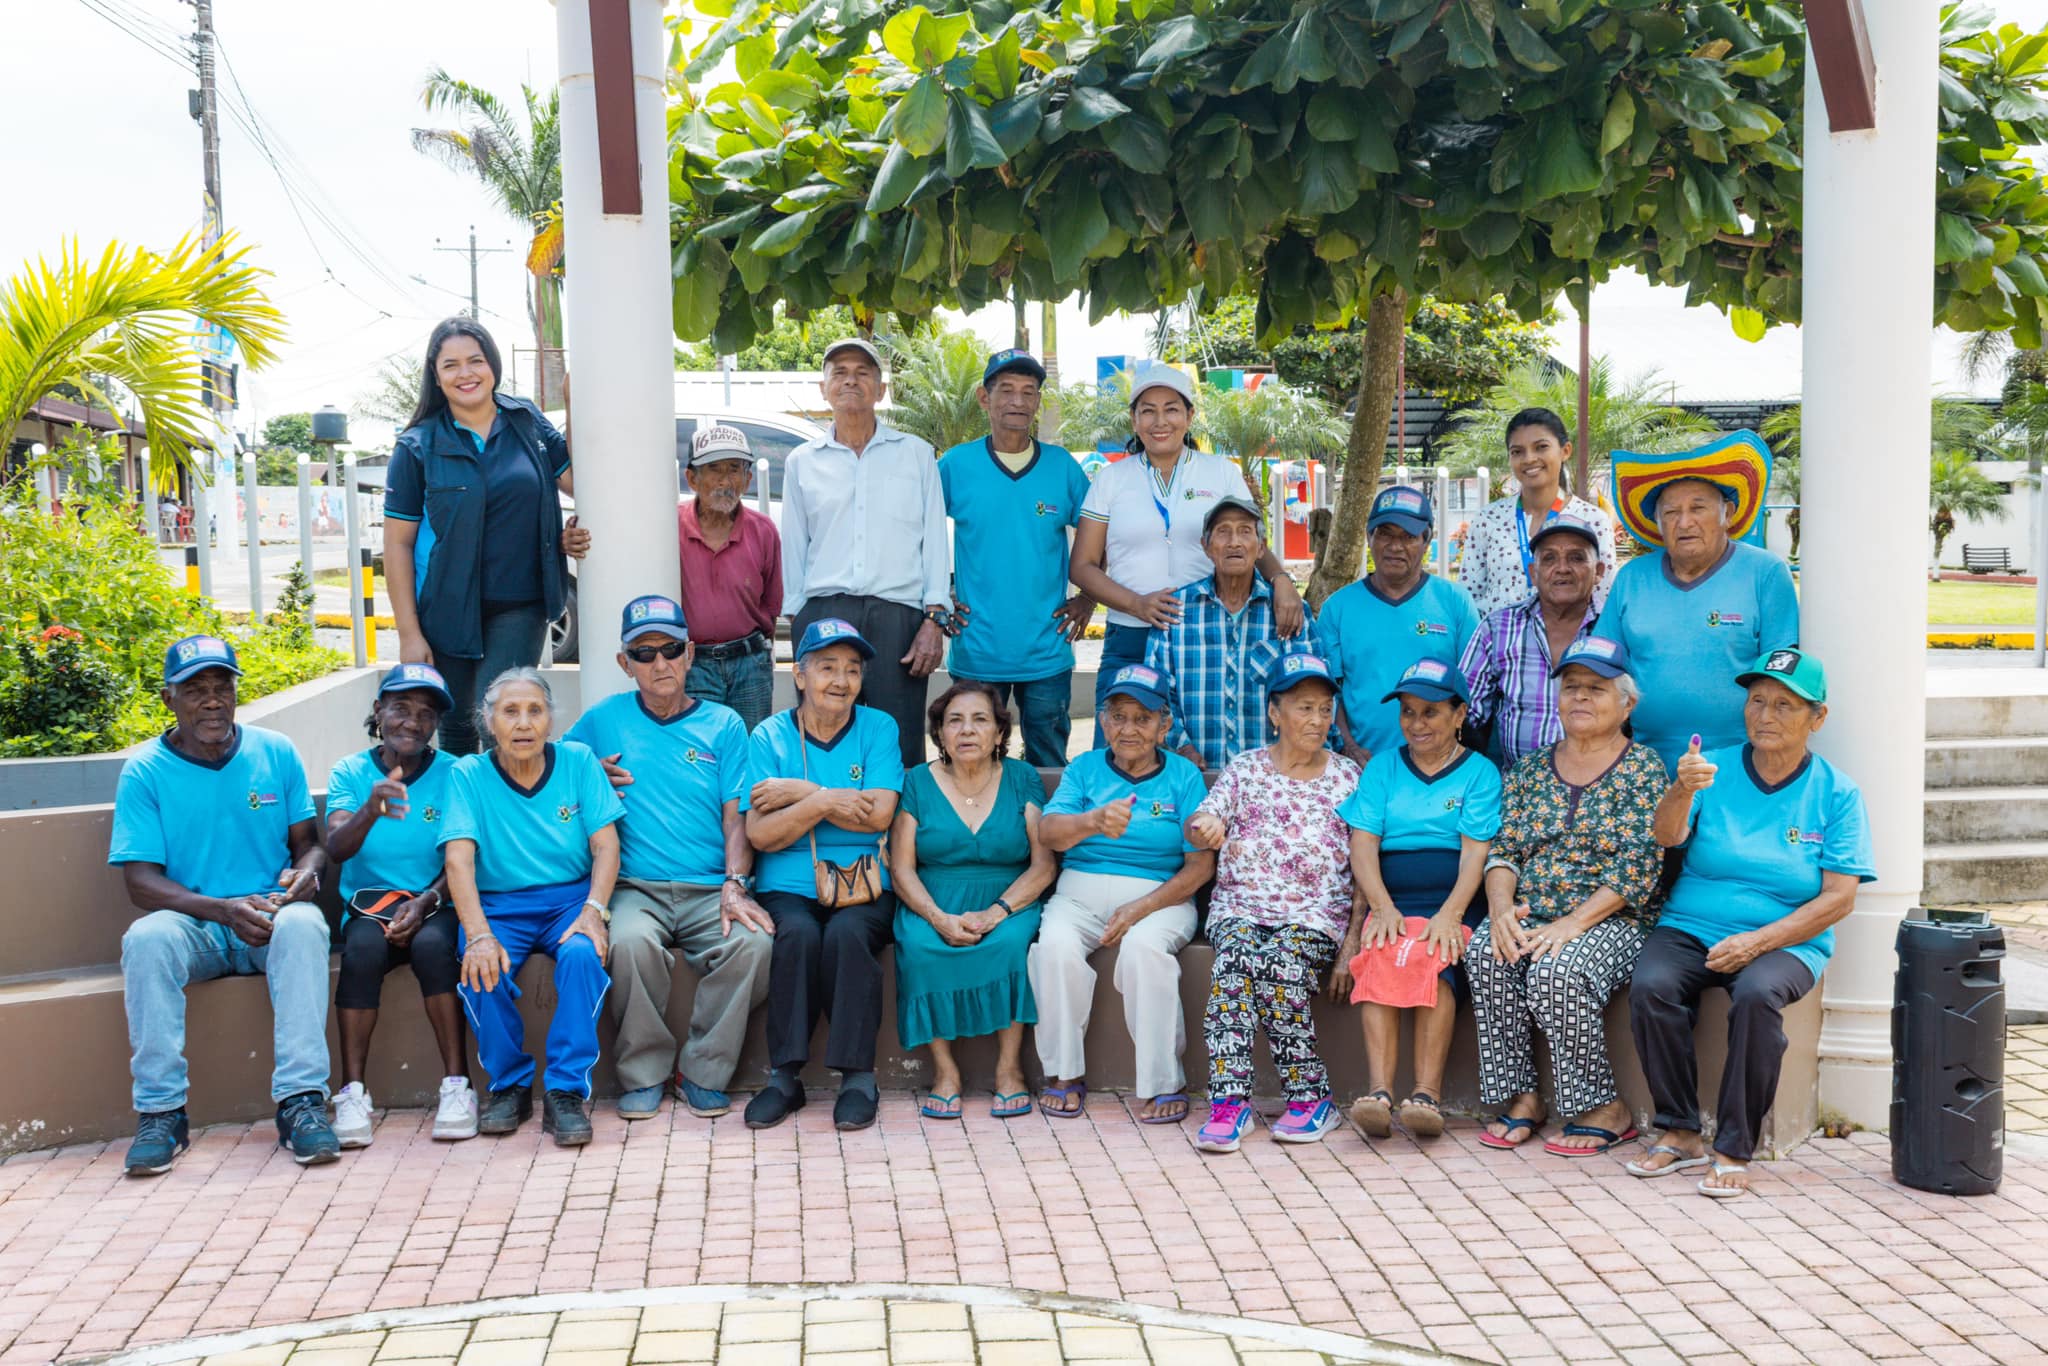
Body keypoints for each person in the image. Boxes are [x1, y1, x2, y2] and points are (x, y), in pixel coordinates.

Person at [1628, 647, 1874, 1198]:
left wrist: (1757, 942)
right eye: (1757, 701)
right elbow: (1666, 836)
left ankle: (1733, 1148)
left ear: (1817, 718)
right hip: (1692, 922)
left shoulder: (1837, 793)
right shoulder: (1710, 770)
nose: (1765, 715)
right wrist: (1681, 789)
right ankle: (1679, 1131)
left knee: (1759, 996)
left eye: (1785, 705)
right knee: (1652, 985)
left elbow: (1839, 899)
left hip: (1787, 939)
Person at [110, 635, 339, 1174]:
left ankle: (301, 1103)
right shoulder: (145, 770)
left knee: (305, 924)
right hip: (196, 923)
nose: (212, 701)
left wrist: (306, 875)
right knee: (146, 939)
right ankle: (162, 1113)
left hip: (269, 915)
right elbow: (141, 883)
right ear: (169, 699)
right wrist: (221, 909)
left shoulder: (275, 751)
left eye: (222, 687)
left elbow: (308, 844)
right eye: (195, 690)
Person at [565, 595, 774, 1122]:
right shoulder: (603, 720)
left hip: (710, 887)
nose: (659, 663)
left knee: (754, 945)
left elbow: (736, 816)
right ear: (625, 663)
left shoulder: (725, 724)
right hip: (636, 887)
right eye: (644, 653)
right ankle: (644, 1074)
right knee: (629, 944)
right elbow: (550, 772)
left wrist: (735, 883)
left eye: (671, 649)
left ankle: (702, 1070)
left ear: (690, 654)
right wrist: (587, 773)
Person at [1467, 638, 1666, 1156]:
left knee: (1558, 968)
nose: (1580, 697)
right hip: (1534, 911)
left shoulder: (1643, 769)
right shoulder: (1531, 769)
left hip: (1614, 920)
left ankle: (1605, 1108)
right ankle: (1523, 1097)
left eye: (1596, 689)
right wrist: (1501, 910)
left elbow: (1638, 869)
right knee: (1487, 949)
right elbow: (1505, 851)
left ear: (1627, 704)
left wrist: (1573, 924)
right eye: (1571, 687)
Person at [383, 318, 591, 754]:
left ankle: (506, 800)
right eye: (451, 365)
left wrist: (574, 404)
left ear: (492, 365)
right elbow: (398, 544)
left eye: (475, 361)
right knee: (456, 728)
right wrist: (409, 634)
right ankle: (464, 803)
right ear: (436, 376)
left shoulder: (526, 421)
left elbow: (576, 482)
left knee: (499, 719)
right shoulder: (416, 447)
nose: (466, 373)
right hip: (444, 612)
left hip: (521, 604)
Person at [1069, 360, 1305, 738]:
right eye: (1148, 411)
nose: (1160, 421)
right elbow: (1082, 566)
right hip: (1129, 637)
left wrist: (1281, 580)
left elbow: (1251, 540)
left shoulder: (1221, 472)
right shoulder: (1111, 479)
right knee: (1115, 749)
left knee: (1198, 748)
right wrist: (1137, 604)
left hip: (1204, 636)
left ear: (1189, 416)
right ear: (1134, 420)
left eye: (1172, 409)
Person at [442, 668, 624, 1147]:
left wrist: (593, 911)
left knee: (583, 954)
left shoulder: (578, 761)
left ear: (550, 721)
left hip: (570, 899)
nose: (523, 723)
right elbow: (458, 861)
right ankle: (510, 1085)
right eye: (510, 711)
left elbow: (606, 846)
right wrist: (479, 934)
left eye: (535, 711)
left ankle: (565, 1090)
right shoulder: (468, 774)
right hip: (499, 906)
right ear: (489, 722)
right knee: (480, 967)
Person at [1187, 655, 1360, 1153]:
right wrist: (1205, 827)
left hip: (1315, 916)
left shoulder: (1348, 777)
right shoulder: (1244, 769)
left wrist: (1351, 944)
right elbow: (1202, 822)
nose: (1318, 720)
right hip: (1240, 909)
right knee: (1235, 963)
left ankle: (1311, 1099)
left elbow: (1366, 862)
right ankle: (1230, 1104)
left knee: (1280, 967)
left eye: (1325, 709)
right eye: (1305, 707)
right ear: (1274, 713)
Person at [740, 618, 906, 1132]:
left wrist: (800, 794)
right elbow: (760, 834)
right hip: (787, 884)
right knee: (797, 935)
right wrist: (832, 802)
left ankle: (858, 1077)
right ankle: (784, 1077)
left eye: (852, 670)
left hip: (864, 881)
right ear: (800, 675)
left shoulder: (878, 728)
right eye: (828, 667)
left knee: (849, 935)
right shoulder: (770, 735)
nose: (841, 680)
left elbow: (879, 814)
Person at [1030, 665, 1216, 1123]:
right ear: (1103, 721)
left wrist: (1140, 908)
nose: (1129, 729)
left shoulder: (1183, 776)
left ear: (1164, 726)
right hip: (1078, 896)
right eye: (1118, 716)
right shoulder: (1084, 768)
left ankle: (1163, 1082)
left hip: (1161, 899)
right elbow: (1049, 833)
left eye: (1143, 718)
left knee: (1144, 951)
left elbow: (1200, 866)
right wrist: (1093, 821)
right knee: (1053, 949)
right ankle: (1064, 1074)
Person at [1336, 658, 1501, 1139]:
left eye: (1430, 711)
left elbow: (1476, 853)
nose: (1416, 723)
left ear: (1459, 714)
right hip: (1392, 897)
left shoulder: (1480, 772)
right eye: (1408, 711)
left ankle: (1426, 1096)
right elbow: (1363, 844)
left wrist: (1451, 913)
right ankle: (1379, 1094)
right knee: (1381, 951)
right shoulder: (1384, 767)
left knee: (1435, 956)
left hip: (1454, 898)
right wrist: (1382, 905)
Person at [889, 681, 1058, 1119]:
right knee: (921, 946)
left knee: (1010, 944)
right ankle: (945, 1072)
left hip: (1009, 897)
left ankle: (1009, 1069)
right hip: (933, 897)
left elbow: (1043, 866)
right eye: (954, 721)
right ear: (940, 734)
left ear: (999, 733)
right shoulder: (917, 781)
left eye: (980, 720)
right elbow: (902, 868)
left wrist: (996, 913)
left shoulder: (1022, 778)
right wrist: (937, 917)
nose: (966, 730)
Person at [324, 663, 474, 1147]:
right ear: (378, 711)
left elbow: (464, 853)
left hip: (436, 902)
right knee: (362, 952)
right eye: (401, 709)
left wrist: (428, 900)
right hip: (370, 910)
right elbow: (336, 849)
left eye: (426, 714)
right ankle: (352, 1092)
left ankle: (458, 1086)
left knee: (433, 949)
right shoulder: (350, 772)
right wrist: (371, 808)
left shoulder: (455, 773)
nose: (412, 721)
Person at [782, 339, 949, 769]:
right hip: (824, 611)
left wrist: (934, 619)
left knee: (899, 738)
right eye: (839, 373)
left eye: (862, 373)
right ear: (823, 389)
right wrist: (798, 615)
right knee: (822, 731)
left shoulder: (915, 454)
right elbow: (794, 544)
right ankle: (822, 809)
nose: (850, 381)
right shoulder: (802, 461)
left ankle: (898, 816)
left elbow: (934, 539)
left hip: (898, 618)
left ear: (881, 389)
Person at [1595, 442, 1799, 773]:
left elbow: (1781, 673)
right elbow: (1604, 664)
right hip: (1646, 764)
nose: (1684, 522)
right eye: (1671, 512)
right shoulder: (1632, 577)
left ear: (1727, 513)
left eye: (1698, 508)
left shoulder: (1765, 573)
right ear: (1658, 522)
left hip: (1742, 764)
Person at [938, 350, 1095, 766]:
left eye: (1029, 392)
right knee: (972, 760)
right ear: (983, 398)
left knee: (1048, 762)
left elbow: (1101, 535)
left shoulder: (1062, 467)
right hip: (977, 650)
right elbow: (918, 534)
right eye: (1006, 390)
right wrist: (937, 595)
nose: (1018, 401)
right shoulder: (955, 465)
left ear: (1038, 401)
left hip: (1046, 652)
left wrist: (1088, 598)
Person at [1144, 497, 1327, 771]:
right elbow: (1156, 693)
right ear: (1206, 547)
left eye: (1245, 531)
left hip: (1274, 779)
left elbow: (1316, 695)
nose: (1234, 542)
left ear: (1261, 547)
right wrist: (1182, 747)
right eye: (1223, 532)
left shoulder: (1290, 610)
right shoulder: (1176, 611)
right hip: (1194, 775)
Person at [1318, 486, 1482, 766]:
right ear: (1369, 537)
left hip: (1438, 766)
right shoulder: (1338, 608)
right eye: (1385, 534)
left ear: (1426, 540)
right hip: (1361, 765)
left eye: (1408, 536)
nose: (1395, 546)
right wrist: (1349, 747)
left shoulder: (1455, 601)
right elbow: (1327, 693)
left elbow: (1473, 688)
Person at [1459, 515, 1604, 768]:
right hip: (1517, 786)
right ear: (1533, 574)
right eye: (1549, 558)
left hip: (1601, 786)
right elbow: (1463, 714)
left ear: (1598, 572)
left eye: (1576, 558)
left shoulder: (1614, 627)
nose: (1562, 568)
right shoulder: (1498, 628)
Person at [1458, 408, 1618, 619]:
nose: (1529, 458)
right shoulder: (1488, 519)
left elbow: (1605, 598)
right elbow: (1468, 600)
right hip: (1499, 638)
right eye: (1517, 452)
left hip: (1571, 639)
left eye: (1541, 447)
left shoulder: (1592, 519)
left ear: (1565, 451)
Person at [677, 425, 782, 729]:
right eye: (714, 469)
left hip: (750, 664)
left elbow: (771, 606)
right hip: (693, 664)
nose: (725, 480)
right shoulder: (670, 526)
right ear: (692, 479)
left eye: (735, 469)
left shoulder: (763, 531)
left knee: (751, 747)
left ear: (748, 479)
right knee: (698, 750)